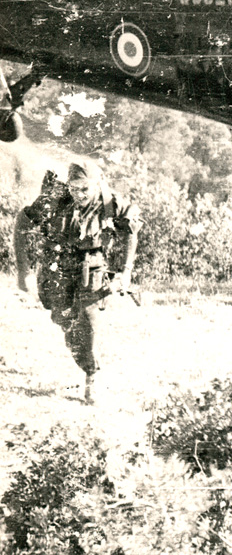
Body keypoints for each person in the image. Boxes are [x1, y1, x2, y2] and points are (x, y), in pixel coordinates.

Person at [19, 159, 141, 404]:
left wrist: (126, 271)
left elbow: (131, 229)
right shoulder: (56, 198)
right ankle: (78, 346)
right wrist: (23, 272)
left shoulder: (110, 202)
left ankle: (91, 376)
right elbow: (23, 220)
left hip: (91, 267)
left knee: (87, 320)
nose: (80, 194)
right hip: (58, 266)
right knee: (64, 319)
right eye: (74, 189)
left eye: (85, 189)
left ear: (97, 184)